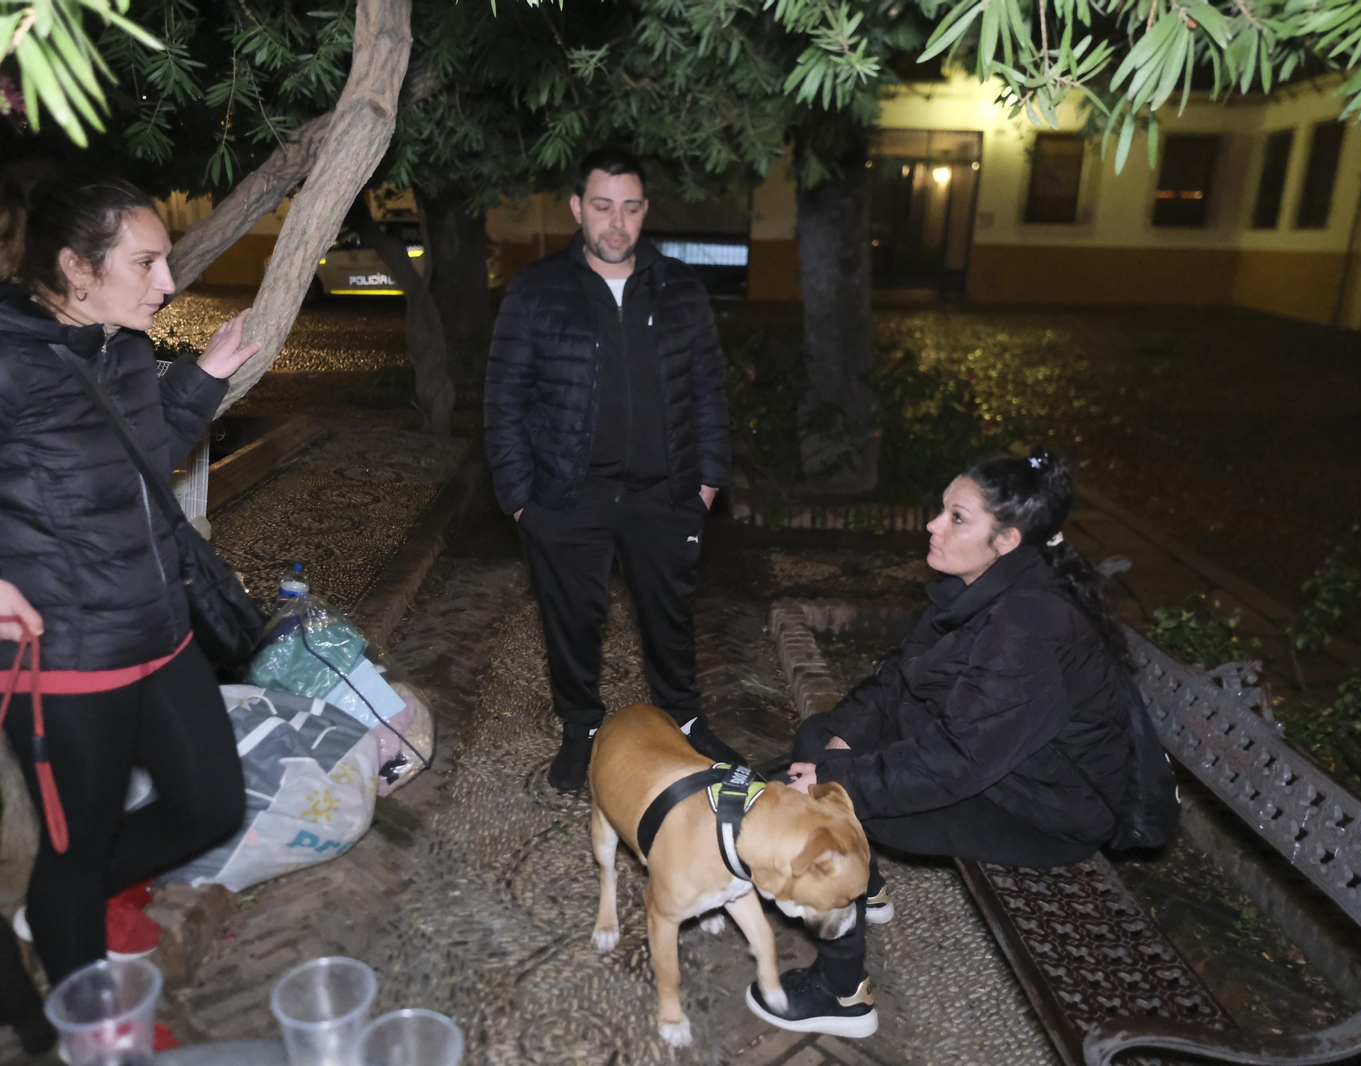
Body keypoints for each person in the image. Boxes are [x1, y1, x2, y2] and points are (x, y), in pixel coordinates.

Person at [0, 174, 256, 985]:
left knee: (210, 804)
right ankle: (88, 1007)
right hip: (56, 661)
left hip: (155, 630)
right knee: (78, 846)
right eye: (146, 264)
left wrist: (203, 377)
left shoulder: (121, 344)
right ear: (75, 267)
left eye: (164, 262)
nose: (168, 285)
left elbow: (142, 456)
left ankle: (64, 901)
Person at [747, 449, 1139, 1038]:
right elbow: (897, 680)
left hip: (1047, 812)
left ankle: (843, 994)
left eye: (957, 518)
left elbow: (956, 762)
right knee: (816, 739)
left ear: (1006, 541)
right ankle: (863, 886)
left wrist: (838, 781)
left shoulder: (1025, 628)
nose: (933, 525)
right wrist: (835, 742)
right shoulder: (977, 590)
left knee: (827, 802)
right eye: (942, 510)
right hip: (998, 766)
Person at [484, 147, 739, 790]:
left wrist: (707, 483)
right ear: (577, 208)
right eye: (602, 207)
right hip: (568, 496)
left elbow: (710, 389)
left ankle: (682, 719)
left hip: (667, 493)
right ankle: (582, 729)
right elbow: (503, 397)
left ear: (645, 210)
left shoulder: (681, 289)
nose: (616, 223)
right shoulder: (536, 290)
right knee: (570, 619)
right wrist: (521, 500)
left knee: (670, 616)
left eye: (629, 207)